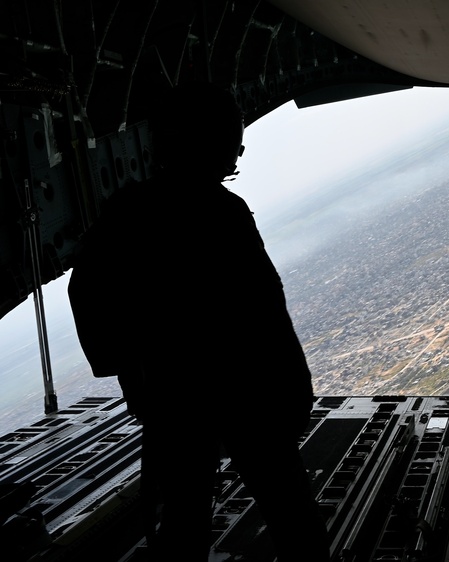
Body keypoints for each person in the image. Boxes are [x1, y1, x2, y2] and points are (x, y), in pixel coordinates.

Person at [68, 82, 329, 561]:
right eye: (234, 136)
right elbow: (265, 313)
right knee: (294, 518)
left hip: (172, 398)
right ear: (216, 142)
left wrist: (137, 376)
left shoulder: (123, 214)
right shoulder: (222, 211)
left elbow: (88, 299)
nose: (240, 147)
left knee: (184, 523)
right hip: (245, 393)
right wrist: (294, 389)